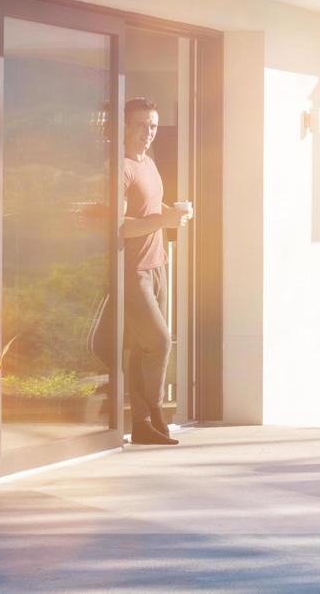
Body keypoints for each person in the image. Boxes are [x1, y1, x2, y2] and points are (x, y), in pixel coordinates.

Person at [121, 97, 191, 446]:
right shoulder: (121, 167)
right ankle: (155, 413)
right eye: (141, 124)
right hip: (132, 271)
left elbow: (151, 209)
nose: (148, 132)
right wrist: (161, 220)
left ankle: (141, 424)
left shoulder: (148, 163)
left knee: (142, 348)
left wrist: (173, 213)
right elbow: (118, 226)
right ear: (124, 126)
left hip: (158, 264)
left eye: (153, 125)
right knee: (160, 342)